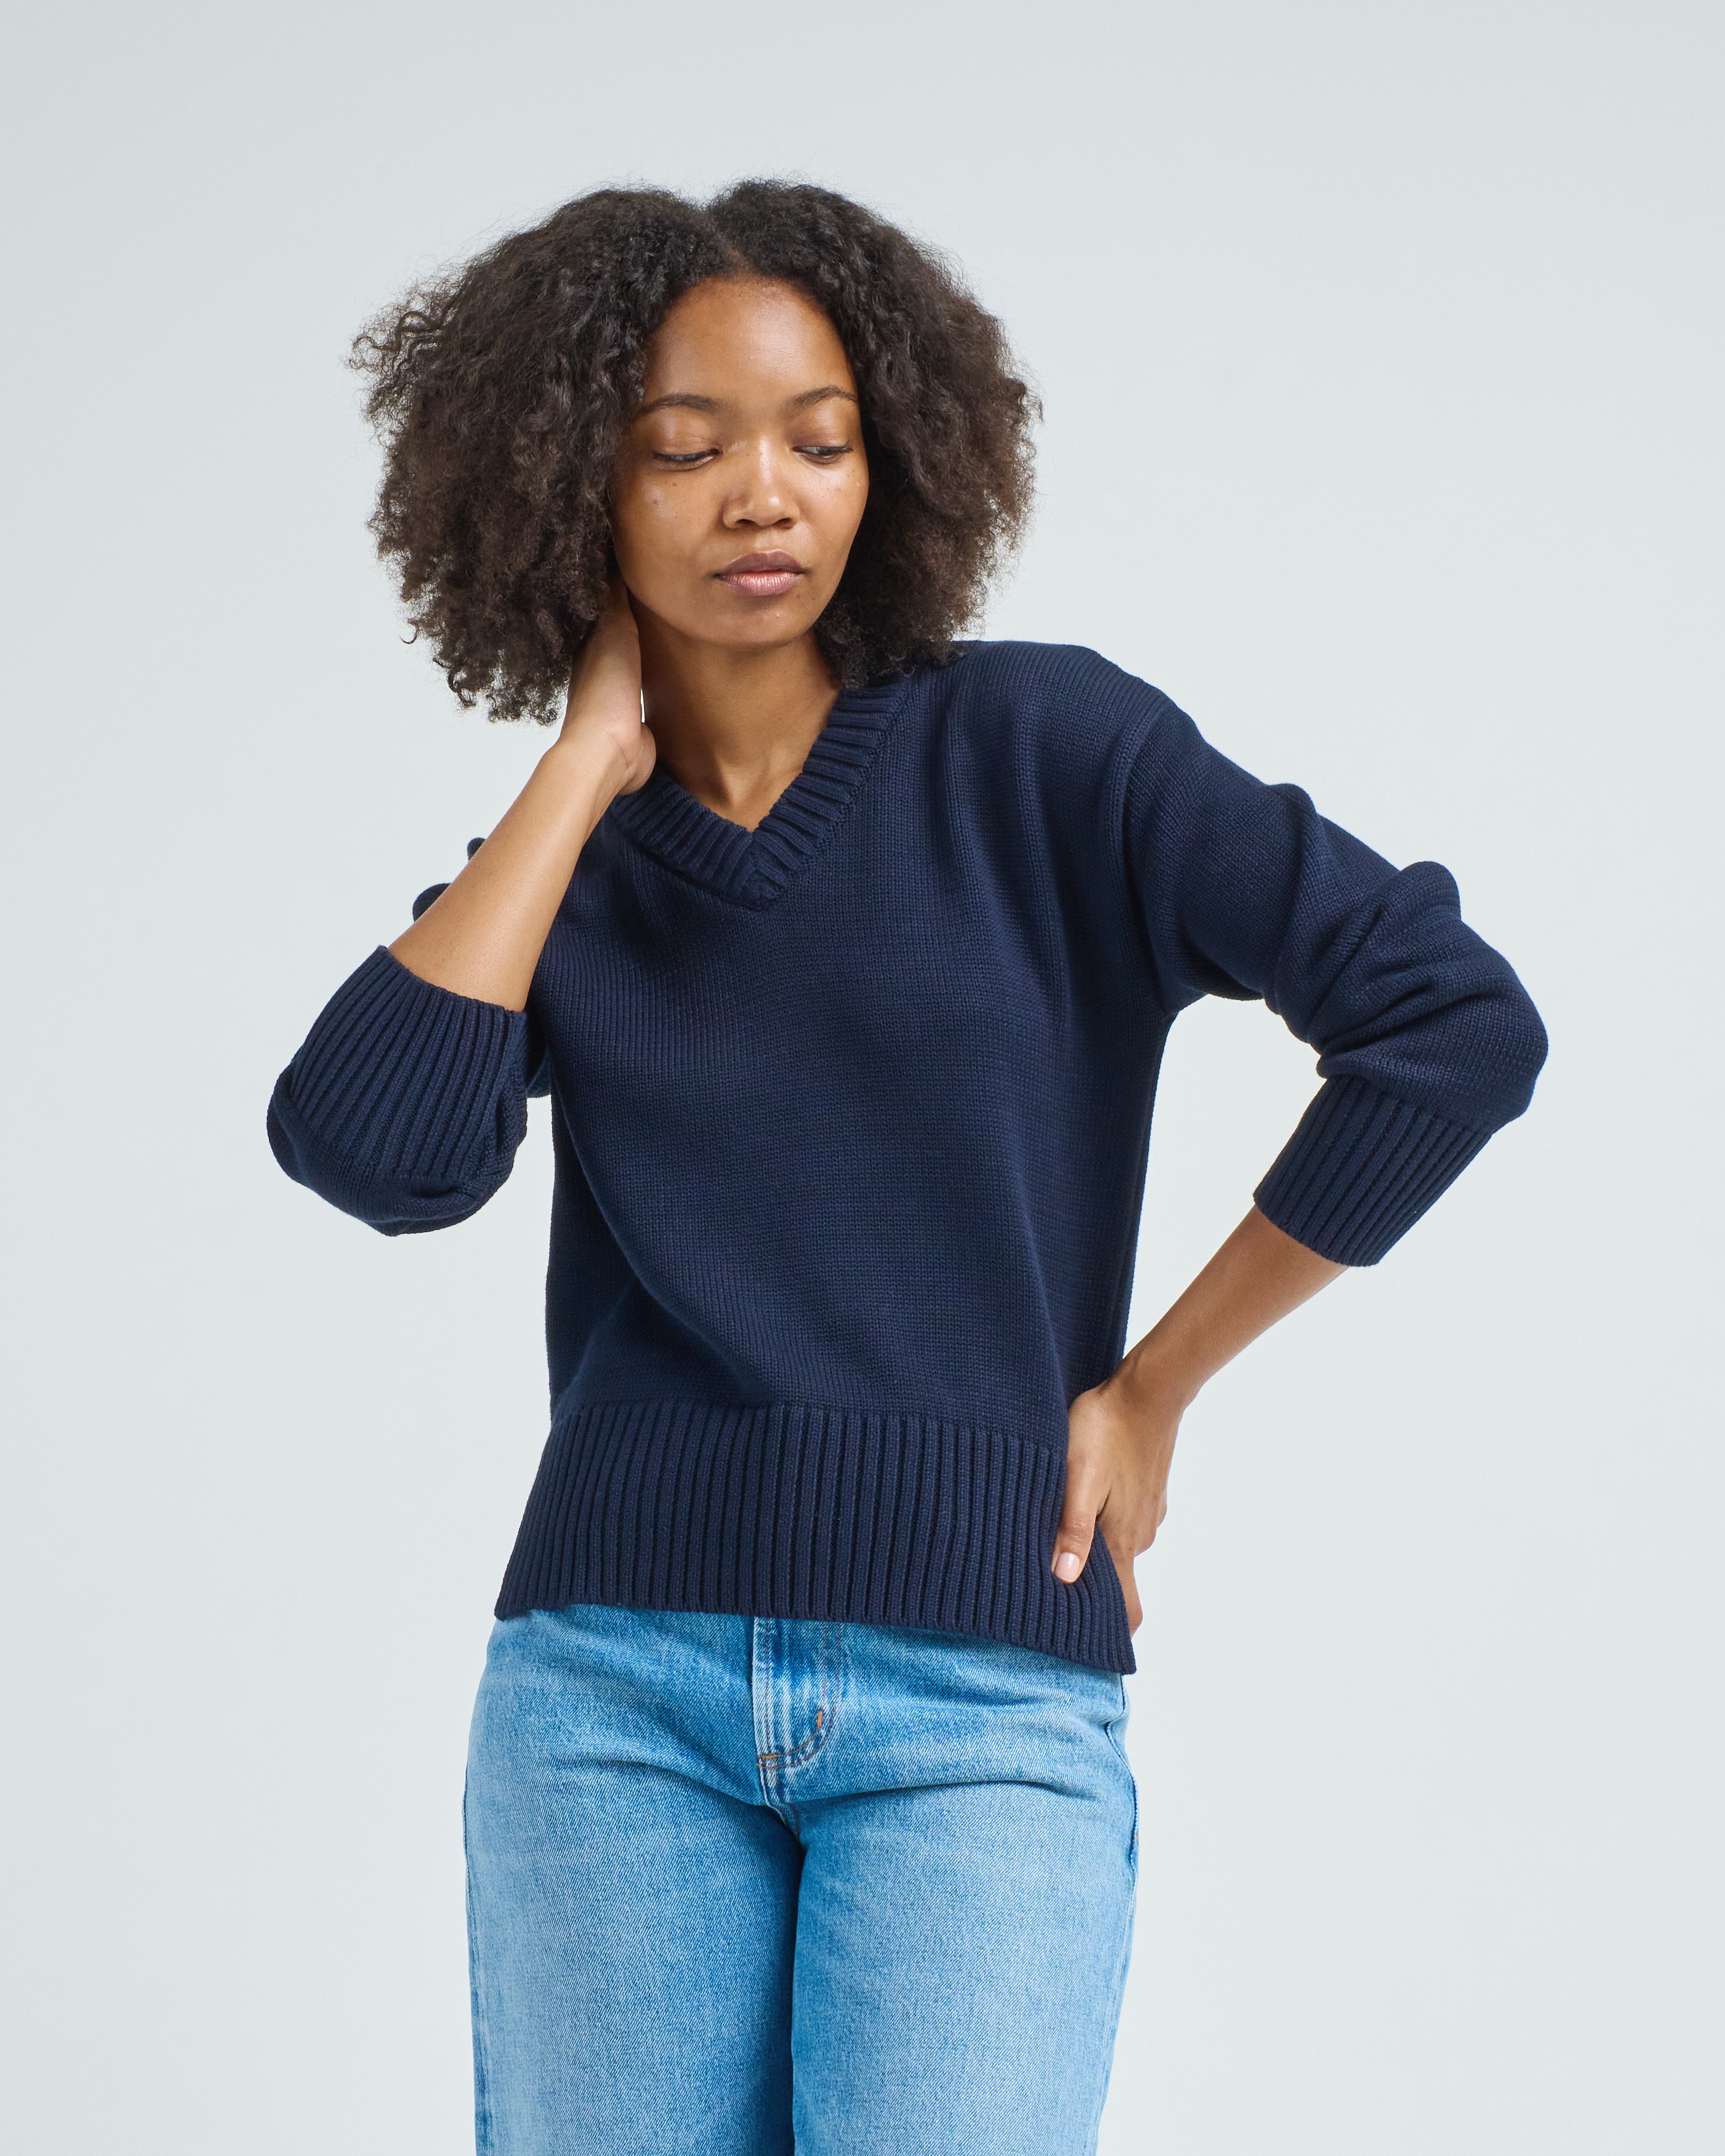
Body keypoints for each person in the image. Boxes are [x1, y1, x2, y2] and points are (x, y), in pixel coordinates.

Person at [267, 179, 1548, 2156]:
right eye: (683, 450)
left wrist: (1154, 1388)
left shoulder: (1046, 755)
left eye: (820, 440)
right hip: (610, 1699)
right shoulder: (562, 879)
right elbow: (370, 1150)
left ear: (897, 465)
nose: (761, 496)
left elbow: (1449, 1023)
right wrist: (578, 766)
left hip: (982, 1698)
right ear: (569, 485)